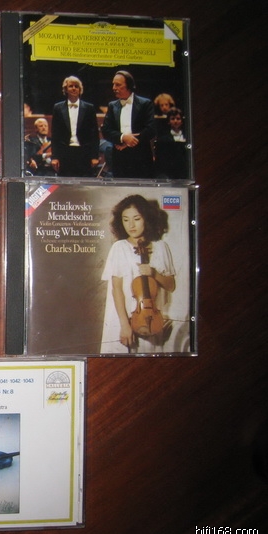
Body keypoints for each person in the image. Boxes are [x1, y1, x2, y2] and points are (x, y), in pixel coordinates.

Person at [100, 194, 176, 353]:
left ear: (146, 219)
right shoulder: (119, 247)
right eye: (125, 220)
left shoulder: (161, 247)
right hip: (124, 318)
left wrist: (154, 273)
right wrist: (125, 325)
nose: (131, 225)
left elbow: (171, 286)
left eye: (136, 219)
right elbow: (116, 290)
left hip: (151, 319)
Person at [101, 70, 156, 178]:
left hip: (141, 157)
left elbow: (151, 130)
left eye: (118, 85)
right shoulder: (112, 105)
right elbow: (106, 130)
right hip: (119, 158)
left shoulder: (145, 104)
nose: (114, 88)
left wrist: (129, 142)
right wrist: (123, 138)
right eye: (113, 84)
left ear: (129, 85)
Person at [50, 76, 100, 177]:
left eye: (76, 86)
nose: (74, 88)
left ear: (80, 89)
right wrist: (55, 157)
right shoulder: (58, 108)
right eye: (71, 86)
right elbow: (55, 134)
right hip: (65, 153)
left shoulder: (89, 108)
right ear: (65, 89)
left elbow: (94, 134)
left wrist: (94, 156)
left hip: (84, 153)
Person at [155, 107, 189, 179]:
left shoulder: (188, 138)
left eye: (178, 118)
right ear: (169, 121)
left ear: (182, 121)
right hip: (169, 174)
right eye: (172, 119)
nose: (175, 121)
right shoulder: (163, 139)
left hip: (184, 173)